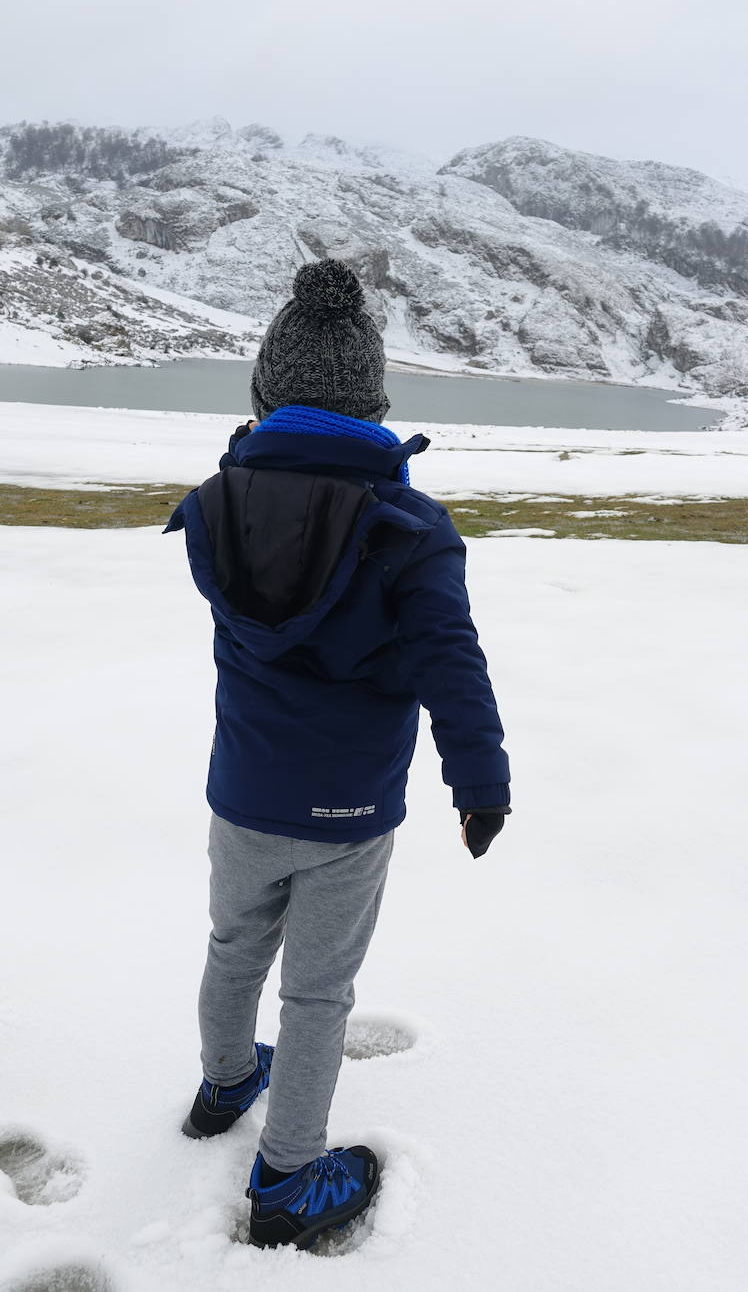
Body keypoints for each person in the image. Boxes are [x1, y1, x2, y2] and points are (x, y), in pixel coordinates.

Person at [164, 259, 510, 1251]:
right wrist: (480, 783)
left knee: (234, 948)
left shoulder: (218, 501)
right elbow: (450, 659)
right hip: (347, 814)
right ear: (371, 401)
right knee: (317, 995)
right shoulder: (407, 527)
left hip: (240, 795)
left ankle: (225, 1084)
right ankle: (285, 1181)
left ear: (266, 396)